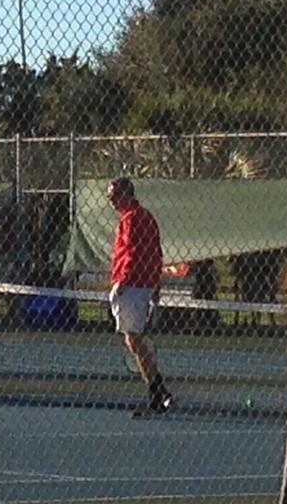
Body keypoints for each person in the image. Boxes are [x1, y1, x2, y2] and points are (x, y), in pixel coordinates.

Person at [107, 176, 172, 416]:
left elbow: (133, 251)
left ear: (126, 194)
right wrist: (155, 283)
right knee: (132, 338)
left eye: (114, 196)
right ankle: (157, 391)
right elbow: (156, 253)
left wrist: (123, 279)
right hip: (141, 284)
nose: (111, 201)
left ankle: (158, 391)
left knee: (133, 339)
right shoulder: (143, 217)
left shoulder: (133, 219)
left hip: (132, 285)